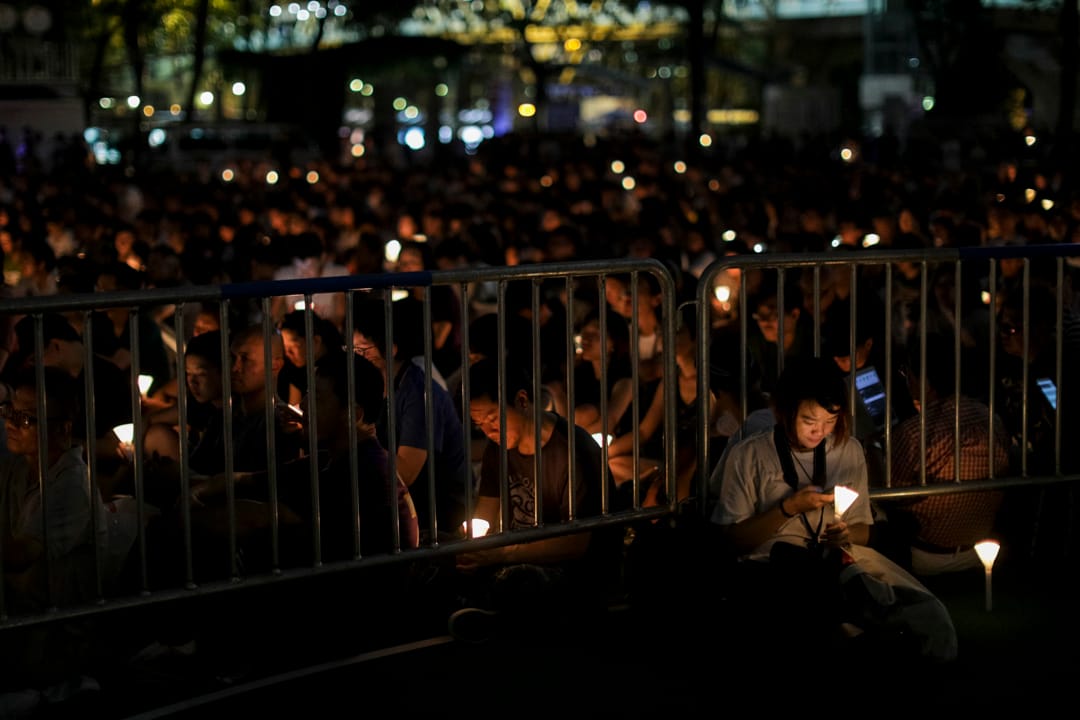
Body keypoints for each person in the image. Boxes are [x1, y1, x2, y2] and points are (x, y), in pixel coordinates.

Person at [711, 356, 957, 662]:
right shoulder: (750, 454)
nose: (820, 432)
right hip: (775, 567)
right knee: (822, 609)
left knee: (927, 611)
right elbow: (733, 539)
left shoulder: (848, 449)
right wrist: (789, 508)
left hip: (841, 558)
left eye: (830, 421)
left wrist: (845, 534)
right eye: (809, 421)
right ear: (786, 411)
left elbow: (863, 529)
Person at [448, 358, 617, 643]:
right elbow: (485, 517)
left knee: (519, 583)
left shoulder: (574, 451)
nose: (489, 432)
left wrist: (500, 554)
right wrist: (472, 549)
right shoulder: (496, 449)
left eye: (493, 418)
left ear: (522, 401)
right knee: (434, 552)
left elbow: (576, 544)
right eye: (479, 425)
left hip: (571, 569)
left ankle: (493, 620)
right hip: (514, 555)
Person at [875, 333, 1010, 576]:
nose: (906, 381)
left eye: (908, 374)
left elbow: (888, 495)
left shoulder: (913, 432)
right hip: (980, 549)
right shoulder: (992, 419)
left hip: (926, 555)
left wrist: (869, 451)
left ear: (925, 382)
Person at [353, 294, 468, 543]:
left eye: (363, 350)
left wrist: (359, 437)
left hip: (439, 508)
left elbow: (406, 470)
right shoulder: (377, 383)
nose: (356, 357)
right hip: (405, 498)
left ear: (392, 349)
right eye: (353, 349)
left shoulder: (419, 392)